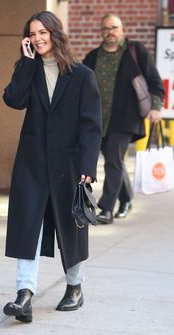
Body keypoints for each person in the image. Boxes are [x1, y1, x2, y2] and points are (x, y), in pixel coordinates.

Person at [2, 11, 102, 323]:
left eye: (43, 32)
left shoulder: (82, 75)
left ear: (55, 33)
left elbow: (91, 126)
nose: (38, 38)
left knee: (70, 227)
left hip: (68, 163)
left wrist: (87, 166)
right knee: (27, 225)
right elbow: (13, 100)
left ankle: (75, 286)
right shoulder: (27, 68)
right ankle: (24, 294)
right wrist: (27, 63)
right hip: (32, 163)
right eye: (32, 34)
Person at [83, 14, 165, 224]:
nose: (110, 32)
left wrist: (156, 107)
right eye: (105, 28)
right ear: (101, 32)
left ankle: (105, 209)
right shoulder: (92, 57)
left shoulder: (135, 52)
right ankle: (126, 199)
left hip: (125, 118)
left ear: (122, 29)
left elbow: (155, 82)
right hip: (98, 120)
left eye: (114, 27)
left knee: (112, 159)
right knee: (115, 161)